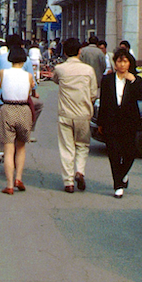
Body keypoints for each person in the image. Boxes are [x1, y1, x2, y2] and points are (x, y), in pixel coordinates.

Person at [97, 47, 142, 197]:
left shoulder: (136, 80)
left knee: (130, 152)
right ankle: (118, 184)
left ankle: (123, 174)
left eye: (125, 61)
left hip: (129, 121)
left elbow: (141, 96)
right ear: (115, 62)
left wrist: (133, 81)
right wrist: (100, 122)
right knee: (113, 153)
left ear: (129, 63)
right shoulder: (107, 80)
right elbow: (103, 102)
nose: (122, 64)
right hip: (111, 121)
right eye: (119, 61)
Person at [51, 37, 98, 193]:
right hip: (83, 114)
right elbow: (93, 94)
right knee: (83, 146)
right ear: (80, 51)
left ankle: (68, 182)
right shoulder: (88, 70)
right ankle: (80, 171)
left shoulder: (60, 69)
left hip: (65, 114)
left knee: (67, 148)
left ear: (64, 52)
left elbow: (55, 80)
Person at [0, 46, 34, 194]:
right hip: (23, 110)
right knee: (21, 147)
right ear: (24, 59)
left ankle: (10, 185)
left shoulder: (3, 73)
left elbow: (1, 87)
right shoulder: (29, 76)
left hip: (7, 109)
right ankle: (19, 178)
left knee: (8, 149)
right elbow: (29, 91)